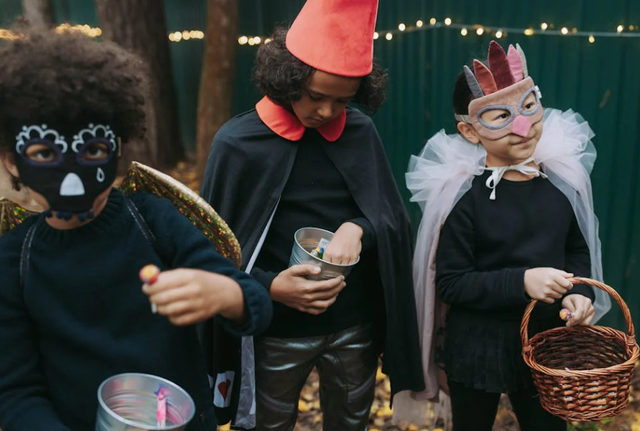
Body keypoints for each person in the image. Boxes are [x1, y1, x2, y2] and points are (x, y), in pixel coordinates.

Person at [0, 26, 272, 431]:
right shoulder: (12, 262)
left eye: (92, 150)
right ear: (11, 161)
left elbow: (257, 306)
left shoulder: (155, 222)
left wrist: (227, 293)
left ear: (117, 149)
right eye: (44, 153)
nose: (71, 175)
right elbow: (15, 391)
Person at [200, 0, 424, 429]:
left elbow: (392, 220)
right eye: (317, 96)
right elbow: (213, 247)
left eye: (343, 102)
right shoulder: (237, 142)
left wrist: (358, 229)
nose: (326, 113)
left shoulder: (359, 133)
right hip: (274, 330)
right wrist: (267, 288)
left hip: (353, 326)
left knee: (351, 422)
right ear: (288, 79)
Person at [398, 41, 611, 431]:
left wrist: (579, 293)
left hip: (546, 339)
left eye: (528, 107)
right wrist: (522, 281)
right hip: (477, 343)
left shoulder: (561, 183)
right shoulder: (464, 198)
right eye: (500, 116)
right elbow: (451, 283)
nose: (522, 126)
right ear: (469, 130)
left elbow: (577, 250)